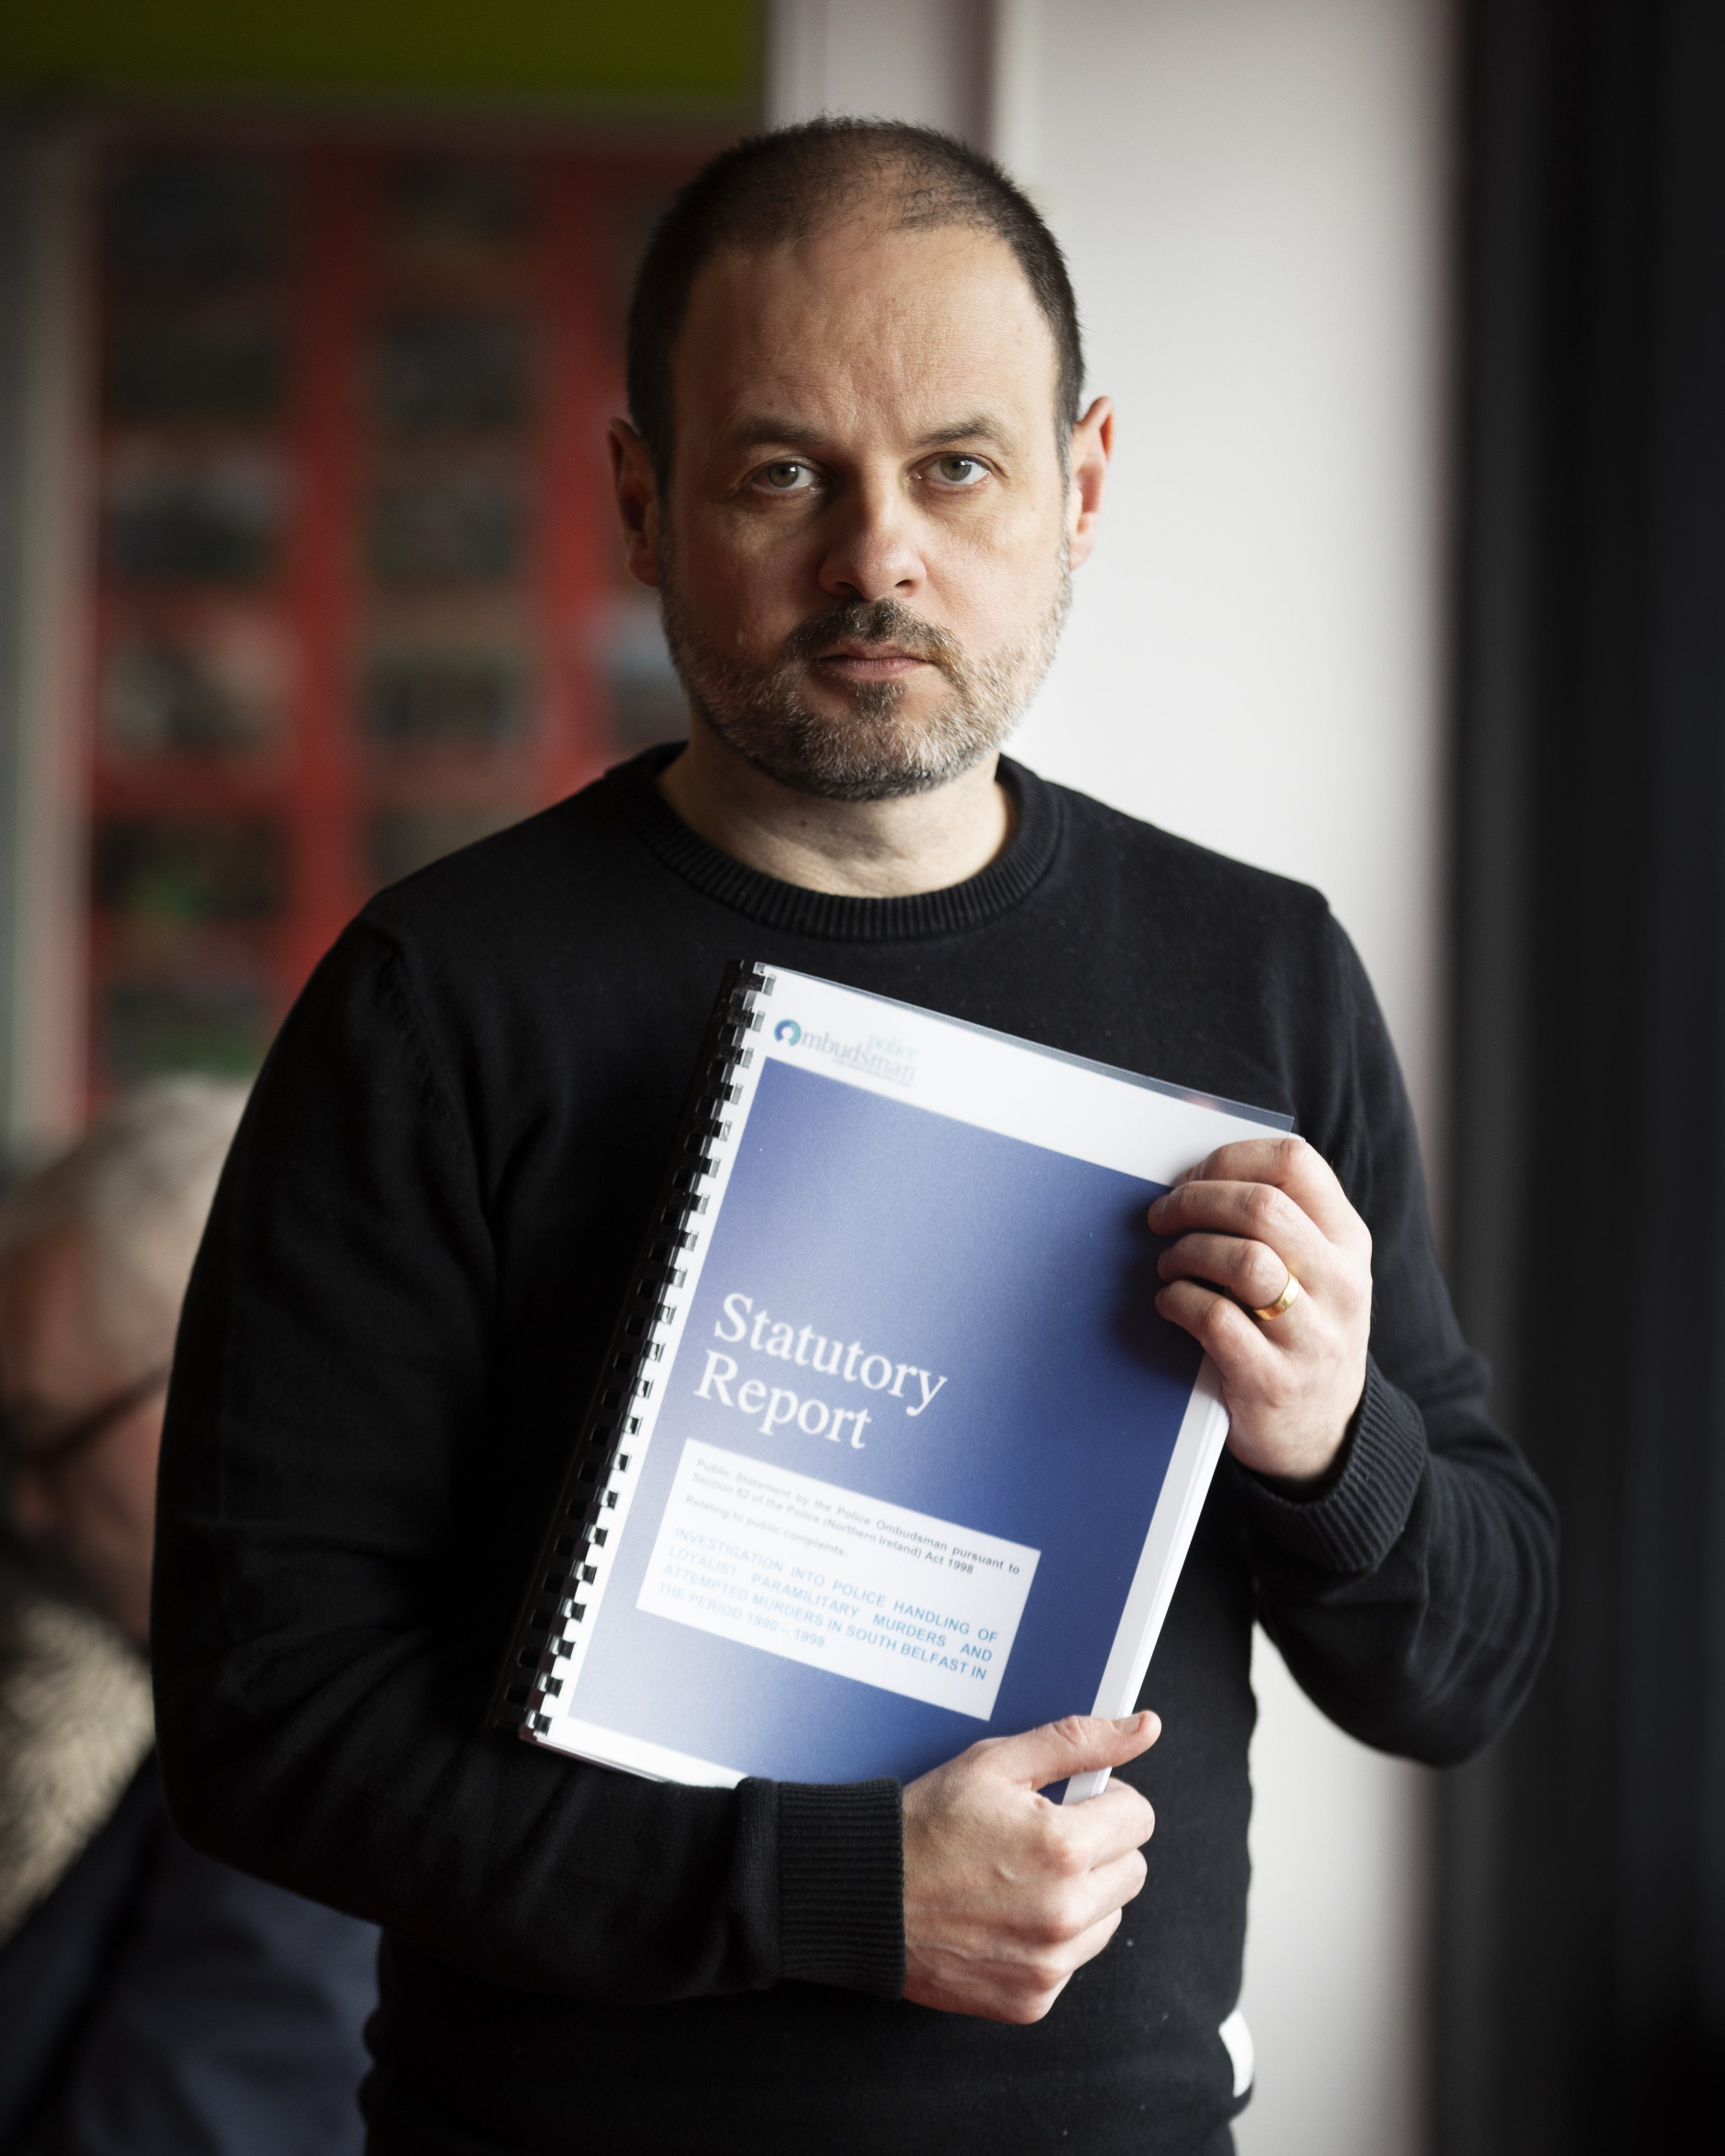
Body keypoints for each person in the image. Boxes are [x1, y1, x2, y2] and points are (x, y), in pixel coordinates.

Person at [152, 121, 1558, 2156]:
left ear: (1080, 486)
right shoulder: (437, 998)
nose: (873, 555)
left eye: (955, 468)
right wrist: (832, 1899)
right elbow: (266, 1723)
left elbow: (1467, 1667)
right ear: (642, 498)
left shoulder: (1256, 978)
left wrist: (1338, 1440)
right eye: (781, 471)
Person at [0, 1080, 379, 2155]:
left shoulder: (314, 1762)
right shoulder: (249, 1699)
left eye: (50, 1436)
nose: (30, 1505)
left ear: (224, 1377)